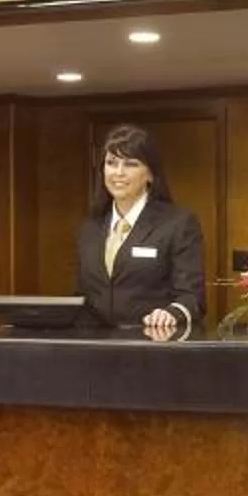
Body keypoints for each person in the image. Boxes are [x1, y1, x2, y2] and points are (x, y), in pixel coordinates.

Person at [76, 124, 205, 340]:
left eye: (130, 164)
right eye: (111, 163)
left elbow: (192, 297)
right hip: (96, 349)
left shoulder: (178, 223)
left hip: (152, 348)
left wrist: (171, 314)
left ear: (150, 174)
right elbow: (82, 297)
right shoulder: (91, 227)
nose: (118, 172)